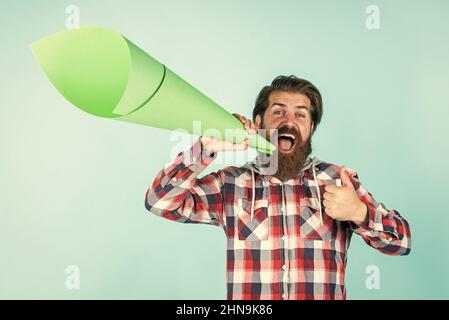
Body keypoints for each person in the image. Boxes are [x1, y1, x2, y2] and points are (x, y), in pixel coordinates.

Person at [145, 75, 411, 300]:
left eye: (300, 114)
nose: (289, 122)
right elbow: (159, 201)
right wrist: (204, 148)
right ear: (258, 123)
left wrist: (359, 213)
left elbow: (401, 241)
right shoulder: (231, 184)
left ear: (311, 127)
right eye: (279, 111)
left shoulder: (336, 180)